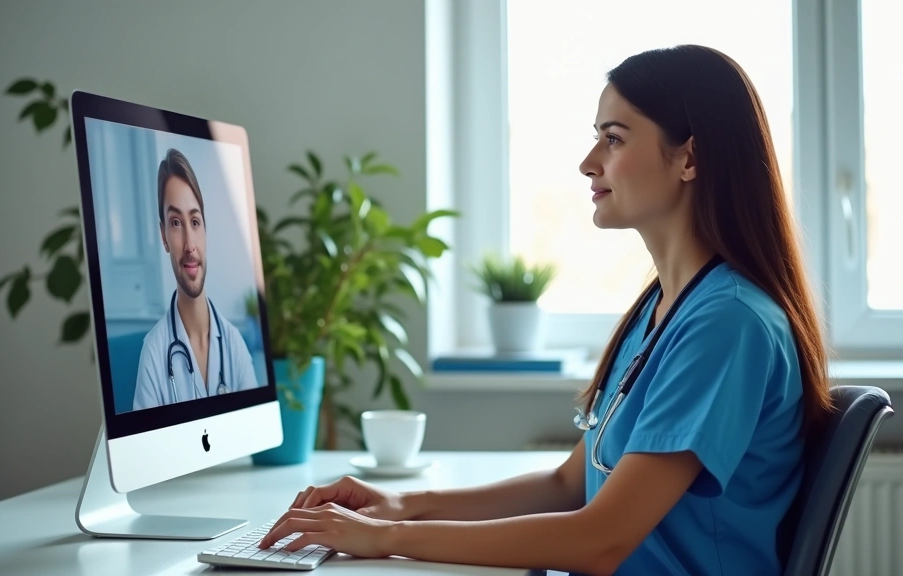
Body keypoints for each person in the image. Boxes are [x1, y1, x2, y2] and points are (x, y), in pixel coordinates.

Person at [256, 44, 834, 575]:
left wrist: (385, 537)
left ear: (688, 158)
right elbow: (567, 485)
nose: (588, 162)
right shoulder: (665, 307)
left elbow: (600, 540)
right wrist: (403, 505)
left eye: (613, 139)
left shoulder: (727, 323)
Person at [132, 148, 260, 411]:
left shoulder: (234, 345)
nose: (190, 245)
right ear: (164, 236)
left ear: (205, 229)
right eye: (176, 223)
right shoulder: (154, 354)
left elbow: (255, 432)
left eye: (195, 221)